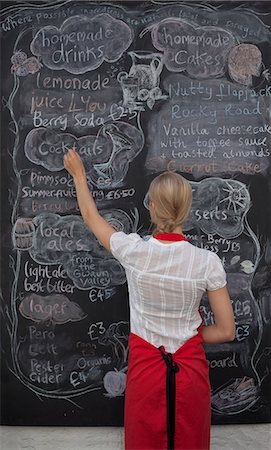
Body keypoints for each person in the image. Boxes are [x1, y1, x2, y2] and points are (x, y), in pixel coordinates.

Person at [64, 148, 236, 450]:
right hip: (191, 375)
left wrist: (79, 174)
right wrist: (191, 336)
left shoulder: (135, 252)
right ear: (186, 209)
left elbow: (91, 217)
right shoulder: (208, 262)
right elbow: (225, 331)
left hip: (146, 374)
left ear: (153, 207)